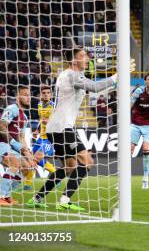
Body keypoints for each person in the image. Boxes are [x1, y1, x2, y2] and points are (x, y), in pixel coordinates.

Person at [27, 48, 121, 211]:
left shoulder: (68, 75)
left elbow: (90, 86)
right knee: (87, 161)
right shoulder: (72, 75)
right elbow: (95, 87)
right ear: (73, 61)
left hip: (55, 127)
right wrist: (115, 77)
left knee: (69, 166)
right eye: (82, 56)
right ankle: (64, 200)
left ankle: (37, 197)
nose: (87, 58)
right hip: (62, 127)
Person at [0, 87, 38, 205]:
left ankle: (6, 195)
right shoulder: (12, 109)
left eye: (29, 95)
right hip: (2, 144)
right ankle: (1, 195)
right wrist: (14, 144)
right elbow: (2, 126)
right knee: (15, 163)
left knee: (27, 168)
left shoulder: (25, 117)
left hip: (12, 147)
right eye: (25, 95)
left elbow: (21, 138)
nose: (28, 98)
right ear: (18, 96)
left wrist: (29, 154)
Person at [27, 86, 57, 190]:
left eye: (48, 93)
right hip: (41, 137)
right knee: (31, 157)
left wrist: (49, 122)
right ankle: (55, 173)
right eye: (43, 93)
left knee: (36, 158)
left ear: (51, 95)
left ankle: (27, 184)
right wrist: (37, 130)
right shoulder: (39, 105)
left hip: (50, 138)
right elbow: (41, 121)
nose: (46, 94)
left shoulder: (53, 106)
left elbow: (58, 122)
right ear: (40, 94)